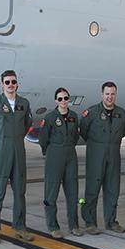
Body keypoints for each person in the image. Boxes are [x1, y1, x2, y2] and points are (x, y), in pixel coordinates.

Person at [0, 70, 33, 244]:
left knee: (20, 192)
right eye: (7, 82)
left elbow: (27, 125)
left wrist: (15, 139)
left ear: (17, 84)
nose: (10, 85)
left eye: (13, 82)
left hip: (18, 150)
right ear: (2, 84)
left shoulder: (24, 104)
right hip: (1, 151)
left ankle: (19, 228)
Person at [79, 81, 125, 234]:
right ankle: (90, 222)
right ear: (102, 94)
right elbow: (84, 131)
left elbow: (124, 131)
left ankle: (111, 221)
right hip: (96, 155)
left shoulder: (121, 113)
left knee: (113, 189)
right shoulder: (92, 112)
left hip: (114, 155)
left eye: (112, 94)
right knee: (92, 189)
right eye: (107, 94)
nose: (110, 97)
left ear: (115, 95)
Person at [38, 88, 82, 238]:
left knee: (72, 192)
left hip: (70, 155)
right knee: (51, 193)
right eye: (60, 99)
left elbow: (76, 136)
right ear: (56, 101)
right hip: (54, 156)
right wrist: (49, 152)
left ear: (69, 99)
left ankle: (74, 225)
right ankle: (53, 226)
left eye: (66, 98)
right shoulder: (50, 117)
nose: (63, 101)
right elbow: (43, 139)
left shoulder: (74, 117)